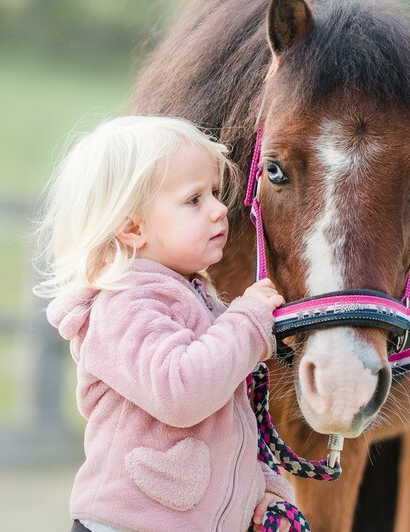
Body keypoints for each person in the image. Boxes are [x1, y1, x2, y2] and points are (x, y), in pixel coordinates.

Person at [35, 115, 294, 531]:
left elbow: (227, 423)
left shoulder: (196, 297)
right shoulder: (123, 305)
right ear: (133, 228)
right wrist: (247, 322)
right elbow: (181, 391)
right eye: (194, 200)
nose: (219, 209)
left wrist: (260, 490)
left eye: (214, 192)